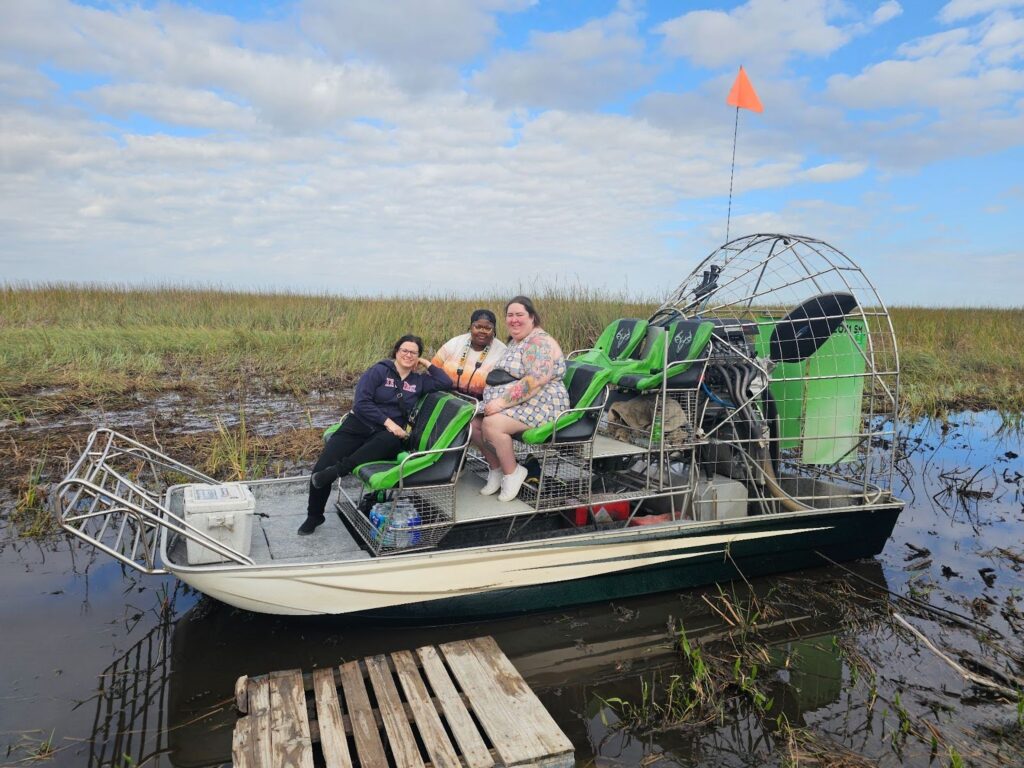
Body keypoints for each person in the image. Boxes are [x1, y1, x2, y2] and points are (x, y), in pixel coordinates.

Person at [298, 335, 452, 535]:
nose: (408, 355)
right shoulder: (378, 371)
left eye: (414, 353)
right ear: (396, 351)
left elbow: (445, 382)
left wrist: (426, 363)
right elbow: (361, 403)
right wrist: (389, 422)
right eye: (404, 350)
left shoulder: (418, 381)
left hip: (385, 437)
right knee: (320, 468)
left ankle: (337, 471)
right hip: (358, 425)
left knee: (389, 441)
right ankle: (314, 516)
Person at [473, 296, 570, 502]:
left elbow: (536, 380)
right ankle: (497, 469)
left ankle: (513, 472)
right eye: (510, 315)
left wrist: (500, 403)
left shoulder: (539, 342)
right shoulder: (517, 341)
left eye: (519, 315)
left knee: (492, 424)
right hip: (522, 403)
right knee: (473, 423)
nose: (514, 320)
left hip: (544, 403)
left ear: (532, 317)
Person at [431, 309, 507, 398]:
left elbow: (502, 388)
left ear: (494, 330)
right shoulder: (455, 343)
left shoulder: (502, 352)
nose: (482, 331)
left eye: (487, 328)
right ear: (470, 327)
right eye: (477, 327)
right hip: (445, 396)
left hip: (480, 403)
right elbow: (433, 370)